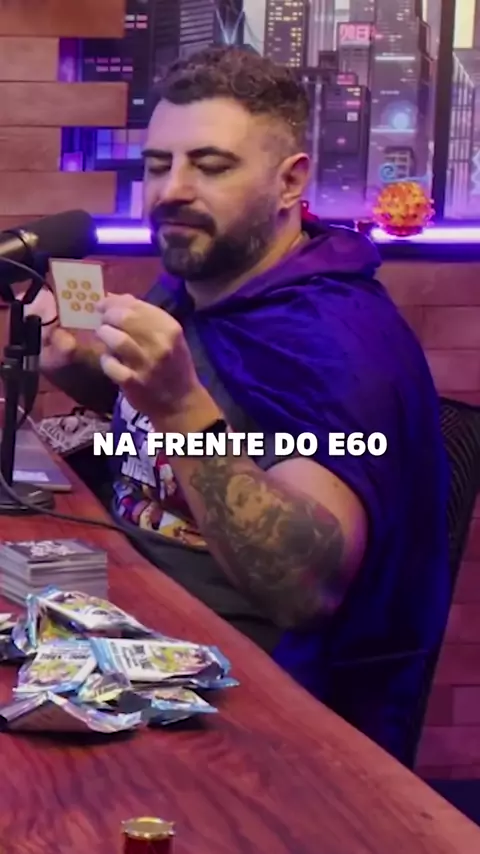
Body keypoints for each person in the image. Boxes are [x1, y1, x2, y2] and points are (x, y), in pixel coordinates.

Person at [31, 47, 450, 765]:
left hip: (253, 724)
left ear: (290, 182)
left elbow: (302, 587)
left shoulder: (335, 341)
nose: (171, 190)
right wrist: (77, 365)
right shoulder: (202, 283)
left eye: (211, 166)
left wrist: (181, 412)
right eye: (158, 165)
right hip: (129, 630)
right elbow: (200, 423)